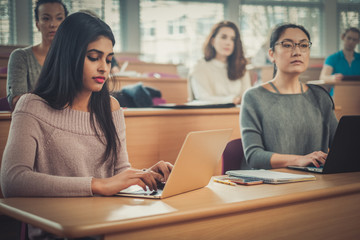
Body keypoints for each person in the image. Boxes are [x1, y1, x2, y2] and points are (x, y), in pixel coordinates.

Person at [1, 12, 172, 239]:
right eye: (94, 57)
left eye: (108, 59)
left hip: (106, 225)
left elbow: (118, 173)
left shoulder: (111, 107)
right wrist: (96, 185)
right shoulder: (31, 106)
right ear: (68, 56)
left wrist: (145, 175)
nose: (104, 68)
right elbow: (13, 180)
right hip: (58, 231)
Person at [240, 23, 338, 170]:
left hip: (317, 184)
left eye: (303, 45)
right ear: (272, 54)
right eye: (287, 45)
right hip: (272, 186)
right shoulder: (253, 97)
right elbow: (254, 156)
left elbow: (342, 148)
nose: (297, 52)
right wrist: (300, 160)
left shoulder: (320, 97)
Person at [6, 0, 68, 110]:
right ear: (37, 24)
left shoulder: (73, 57)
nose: (53, 24)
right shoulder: (21, 57)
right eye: (46, 18)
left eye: (59, 18)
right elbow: (17, 102)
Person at [188, 21, 251, 104]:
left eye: (232, 39)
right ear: (213, 41)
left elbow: (247, 97)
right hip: (209, 115)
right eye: (223, 37)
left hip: (237, 114)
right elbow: (202, 97)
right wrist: (232, 100)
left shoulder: (241, 67)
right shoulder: (199, 67)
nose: (228, 43)